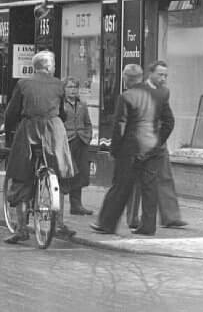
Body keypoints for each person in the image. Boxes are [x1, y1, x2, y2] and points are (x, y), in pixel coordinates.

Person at [4, 50, 77, 244]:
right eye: (53, 65)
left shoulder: (23, 84)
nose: (54, 68)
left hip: (29, 131)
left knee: (21, 175)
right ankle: (59, 222)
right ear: (47, 67)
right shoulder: (59, 85)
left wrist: (8, 131)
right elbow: (63, 112)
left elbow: (12, 113)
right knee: (59, 172)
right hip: (54, 132)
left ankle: (21, 229)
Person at [90, 65, 158, 235]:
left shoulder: (126, 97)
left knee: (120, 187)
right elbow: (165, 120)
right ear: (141, 78)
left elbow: (120, 126)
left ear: (126, 79)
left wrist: (114, 150)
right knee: (149, 188)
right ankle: (148, 226)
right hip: (150, 147)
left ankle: (106, 223)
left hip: (130, 149)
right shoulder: (155, 95)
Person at [127, 61, 186, 229]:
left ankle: (171, 217)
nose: (163, 78)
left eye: (166, 75)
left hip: (159, 141)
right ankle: (132, 218)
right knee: (136, 181)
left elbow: (168, 118)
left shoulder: (164, 92)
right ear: (150, 73)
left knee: (165, 177)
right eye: (160, 74)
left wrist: (160, 140)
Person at [62, 77, 94, 216]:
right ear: (64, 89)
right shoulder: (60, 105)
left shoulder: (82, 105)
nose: (73, 90)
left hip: (81, 141)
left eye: (75, 87)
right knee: (68, 173)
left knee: (81, 173)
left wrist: (87, 137)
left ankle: (76, 205)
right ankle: (60, 206)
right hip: (67, 142)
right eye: (70, 87)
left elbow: (88, 123)